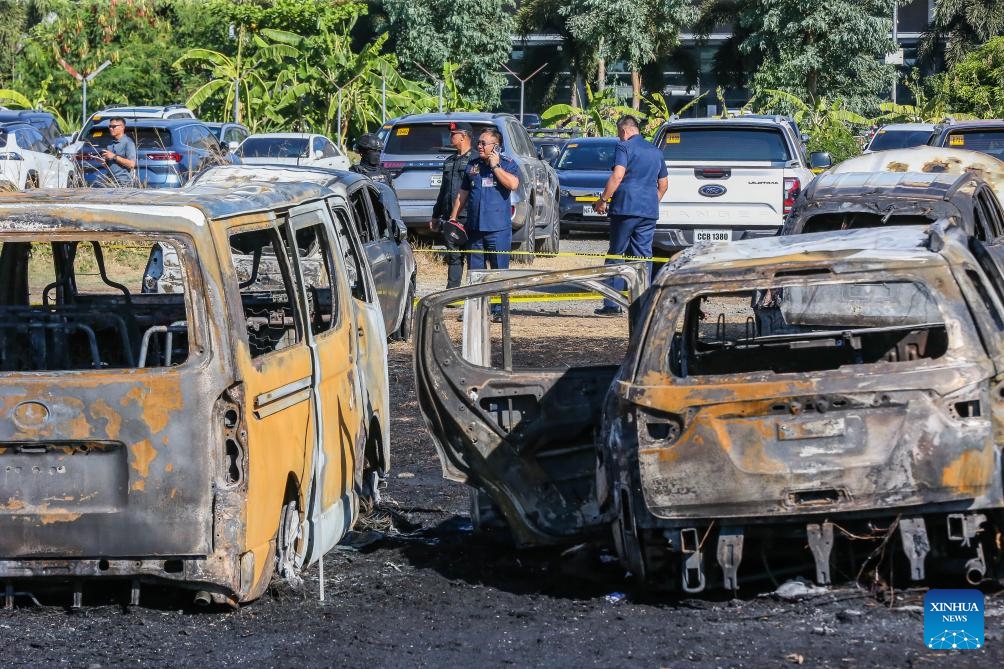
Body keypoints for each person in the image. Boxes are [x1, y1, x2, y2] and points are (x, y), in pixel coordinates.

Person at [593, 115, 668, 316]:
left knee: (616, 254)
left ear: (625, 131)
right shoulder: (656, 151)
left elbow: (618, 175)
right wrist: (651, 202)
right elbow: (664, 185)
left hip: (625, 208)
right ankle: (643, 305)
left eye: (619, 134)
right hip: (648, 211)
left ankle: (612, 305)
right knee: (643, 257)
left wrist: (603, 200)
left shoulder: (624, 147)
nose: (620, 137)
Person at [448, 127, 520, 273]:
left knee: (499, 273)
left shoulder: (507, 164)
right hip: (475, 230)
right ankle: (479, 297)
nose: (479, 146)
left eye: (483, 143)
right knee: (475, 274)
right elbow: (463, 194)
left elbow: (513, 184)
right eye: (478, 143)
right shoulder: (473, 165)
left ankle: (502, 296)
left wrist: (496, 167)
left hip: (497, 230)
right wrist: (453, 217)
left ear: (496, 147)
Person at [430, 122, 476, 290]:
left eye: (453, 134)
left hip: (469, 217)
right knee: (454, 257)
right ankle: (453, 293)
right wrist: (436, 216)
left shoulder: (476, 160)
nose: (450, 137)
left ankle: (472, 294)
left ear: (463, 136)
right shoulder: (449, 161)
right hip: (451, 218)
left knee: (473, 258)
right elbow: (443, 191)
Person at [97, 117, 137, 187]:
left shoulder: (128, 142)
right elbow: (111, 166)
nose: (111, 129)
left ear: (122, 127)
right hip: (110, 181)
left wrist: (114, 156)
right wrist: (103, 162)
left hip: (123, 182)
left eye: (114, 126)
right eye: (110, 126)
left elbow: (131, 164)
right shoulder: (110, 143)